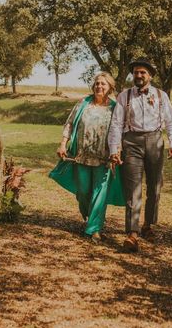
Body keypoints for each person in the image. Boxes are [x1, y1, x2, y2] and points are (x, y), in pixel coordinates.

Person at [108, 58, 172, 252]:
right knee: (133, 188)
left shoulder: (160, 95)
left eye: (143, 73)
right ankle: (132, 233)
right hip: (131, 142)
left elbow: (171, 121)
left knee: (155, 186)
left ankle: (148, 224)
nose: (138, 76)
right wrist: (115, 149)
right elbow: (116, 123)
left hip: (155, 141)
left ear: (150, 76)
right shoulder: (125, 96)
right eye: (136, 72)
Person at [49, 72, 125, 243]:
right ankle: (89, 215)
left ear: (110, 87)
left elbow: (118, 131)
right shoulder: (83, 103)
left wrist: (117, 151)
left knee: (100, 193)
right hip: (81, 156)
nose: (99, 86)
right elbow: (69, 123)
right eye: (97, 83)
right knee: (83, 191)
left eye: (103, 84)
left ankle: (94, 229)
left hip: (104, 158)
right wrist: (63, 143)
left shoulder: (115, 107)